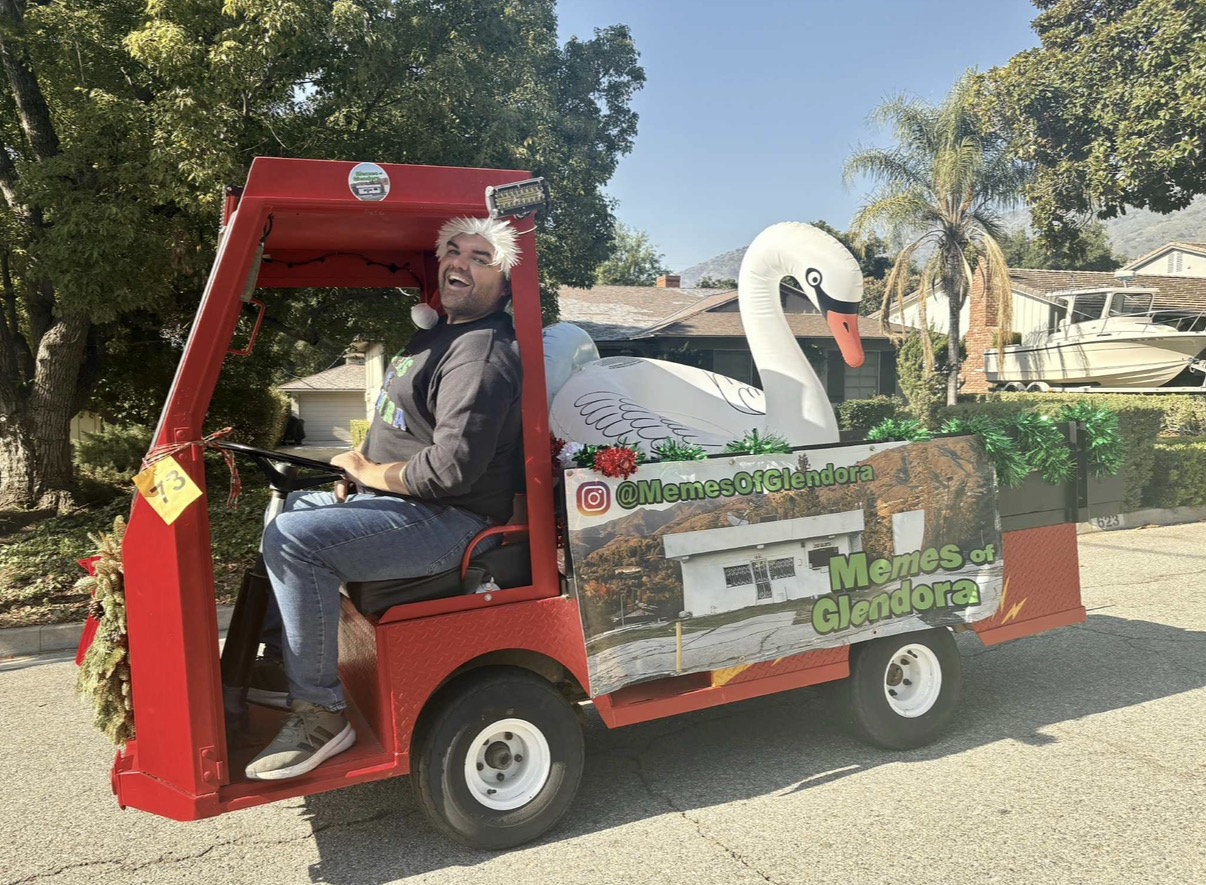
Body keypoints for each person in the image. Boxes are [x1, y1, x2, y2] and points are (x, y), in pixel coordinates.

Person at [244, 216, 525, 781]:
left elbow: (449, 471)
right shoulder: (438, 334)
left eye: (480, 256)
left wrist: (372, 470)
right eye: (452, 250)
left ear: (506, 282)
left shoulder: (482, 354)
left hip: (450, 521)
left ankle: (322, 714)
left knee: (295, 541)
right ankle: (286, 665)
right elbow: (401, 422)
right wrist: (361, 473)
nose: (459, 263)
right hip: (407, 505)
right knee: (290, 507)